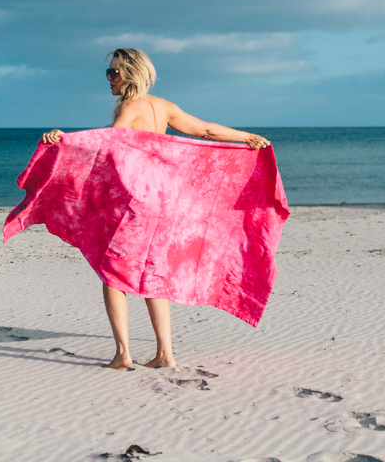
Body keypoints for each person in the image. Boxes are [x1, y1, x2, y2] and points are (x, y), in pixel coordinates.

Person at [41, 48, 271, 369]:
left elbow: (107, 143)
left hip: (134, 202)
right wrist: (246, 137)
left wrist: (63, 141)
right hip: (162, 203)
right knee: (153, 274)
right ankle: (165, 354)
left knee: (111, 272)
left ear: (131, 73)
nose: (109, 79)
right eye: (108, 72)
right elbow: (204, 129)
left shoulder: (129, 107)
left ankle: (123, 353)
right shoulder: (163, 106)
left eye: (114, 72)